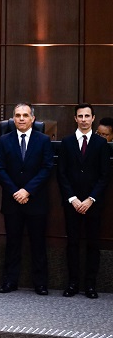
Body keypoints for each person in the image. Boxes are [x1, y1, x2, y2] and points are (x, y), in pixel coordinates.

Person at [0, 102, 54, 296]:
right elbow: (0, 169)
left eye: (25, 115)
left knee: (38, 244)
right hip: (12, 201)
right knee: (12, 243)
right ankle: (9, 281)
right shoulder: (4, 140)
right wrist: (15, 191)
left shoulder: (44, 140)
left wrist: (27, 190)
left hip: (35, 200)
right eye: (18, 115)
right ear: (13, 119)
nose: (21, 118)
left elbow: (47, 168)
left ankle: (41, 283)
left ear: (33, 119)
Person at [57, 103, 110, 299]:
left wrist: (90, 199)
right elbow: (61, 174)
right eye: (80, 116)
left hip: (93, 204)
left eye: (88, 116)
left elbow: (104, 176)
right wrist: (73, 199)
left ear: (93, 118)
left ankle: (90, 285)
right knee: (72, 244)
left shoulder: (100, 143)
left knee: (92, 245)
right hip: (72, 204)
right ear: (75, 118)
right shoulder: (67, 142)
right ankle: (72, 283)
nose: (84, 119)